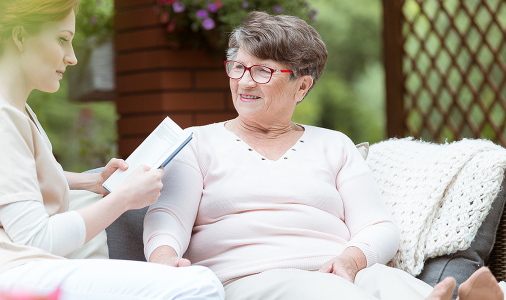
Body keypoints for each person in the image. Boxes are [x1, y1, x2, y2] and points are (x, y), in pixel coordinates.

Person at [143, 11, 505, 300]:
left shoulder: (334, 144)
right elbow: (168, 216)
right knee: (325, 292)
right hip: (249, 279)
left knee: (385, 280)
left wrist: (351, 260)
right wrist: (163, 260)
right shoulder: (196, 142)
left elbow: (377, 226)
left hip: (339, 273)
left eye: (263, 70)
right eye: (238, 67)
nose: (245, 81)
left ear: (302, 85)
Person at [0, 0, 224, 299]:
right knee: (199, 284)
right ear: (21, 36)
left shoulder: (8, 108)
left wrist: (94, 182)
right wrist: (125, 198)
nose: (73, 57)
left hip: (14, 270)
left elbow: (17, 180)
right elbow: (38, 238)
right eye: (63, 39)